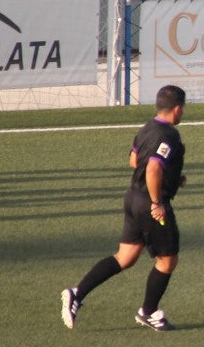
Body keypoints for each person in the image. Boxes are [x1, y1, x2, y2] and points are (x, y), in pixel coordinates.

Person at [60, 85, 189, 331]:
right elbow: (152, 168)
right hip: (150, 204)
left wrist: (172, 177)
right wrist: (157, 201)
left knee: (125, 257)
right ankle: (148, 312)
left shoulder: (145, 129)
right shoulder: (169, 135)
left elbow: (134, 160)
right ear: (177, 108)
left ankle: (77, 294)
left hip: (132, 197)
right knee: (167, 260)